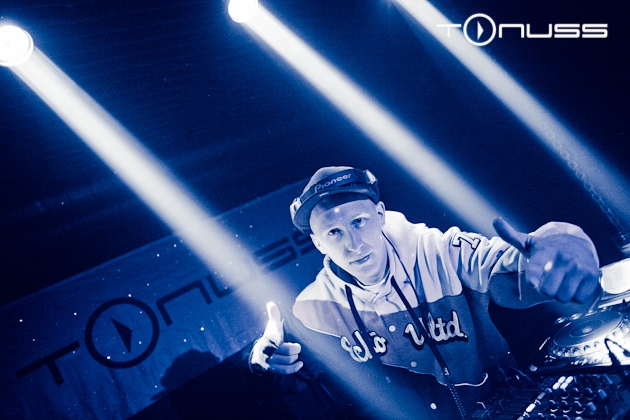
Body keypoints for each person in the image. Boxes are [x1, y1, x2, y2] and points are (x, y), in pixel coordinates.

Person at [247, 166, 601, 419]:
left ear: (380, 214)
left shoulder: (440, 250)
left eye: (359, 222)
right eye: (333, 233)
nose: (353, 244)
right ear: (318, 244)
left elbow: (509, 274)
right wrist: (270, 367)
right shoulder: (312, 308)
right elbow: (296, 377)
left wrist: (558, 246)